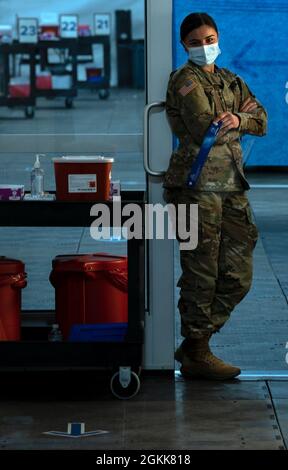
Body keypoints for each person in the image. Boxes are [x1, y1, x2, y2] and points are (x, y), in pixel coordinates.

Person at [162, 12, 267, 380]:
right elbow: (205, 126)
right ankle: (198, 349)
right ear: (184, 46)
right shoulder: (184, 81)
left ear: (218, 39)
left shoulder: (229, 80)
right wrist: (237, 118)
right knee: (201, 271)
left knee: (239, 274)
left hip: (232, 186)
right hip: (195, 188)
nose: (204, 47)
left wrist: (236, 118)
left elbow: (263, 120)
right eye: (195, 42)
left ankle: (195, 343)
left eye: (209, 40)